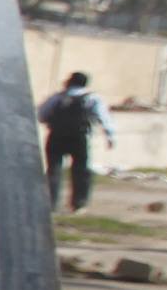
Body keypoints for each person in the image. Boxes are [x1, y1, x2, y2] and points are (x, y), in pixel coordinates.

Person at [38, 69, 115, 212]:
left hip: (56, 136)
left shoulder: (58, 97)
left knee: (53, 170)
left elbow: (42, 115)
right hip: (79, 137)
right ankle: (79, 204)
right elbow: (103, 118)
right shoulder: (92, 98)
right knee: (80, 170)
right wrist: (109, 136)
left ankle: (51, 203)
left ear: (69, 81)